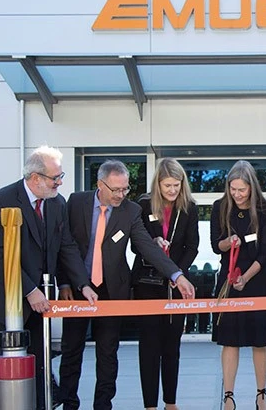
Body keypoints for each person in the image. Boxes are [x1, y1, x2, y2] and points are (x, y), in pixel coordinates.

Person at [57, 160, 196, 410]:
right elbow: (64, 246)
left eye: (125, 189)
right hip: (78, 288)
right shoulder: (75, 203)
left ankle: (103, 405)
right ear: (100, 185)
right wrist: (67, 282)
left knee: (108, 353)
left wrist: (177, 275)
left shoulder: (130, 210)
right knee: (71, 350)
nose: (121, 195)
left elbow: (145, 246)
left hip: (113, 290)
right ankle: (69, 403)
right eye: (116, 190)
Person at [0, 145, 99, 410]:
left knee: (40, 368)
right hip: (6, 299)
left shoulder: (57, 202)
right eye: (55, 178)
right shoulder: (1, 201)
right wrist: (30, 290)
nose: (60, 182)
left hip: (40, 302)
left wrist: (82, 284)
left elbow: (66, 246)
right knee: (8, 369)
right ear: (35, 178)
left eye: (61, 176)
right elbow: (0, 255)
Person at [210, 160, 266, 410]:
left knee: (259, 340)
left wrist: (246, 277)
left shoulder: (265, 211)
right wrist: (228, 242)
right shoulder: (220, 207)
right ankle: (228, 397)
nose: (237, 194)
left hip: (257, 279)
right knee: (229, 340)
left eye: (242, 190)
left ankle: (261, 395)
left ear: (252, 187)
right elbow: (214, 245)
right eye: (233, 189)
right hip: (229, 278)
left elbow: (265, 255)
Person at [131, 158, 199, 410]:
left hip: (176, 286)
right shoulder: (143, 204)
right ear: (157, 184)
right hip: (147, 284)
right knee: (149, 346)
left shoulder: (189, 208)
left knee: (172, 346)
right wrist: (154, 242)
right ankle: (150, 405)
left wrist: (177, 273)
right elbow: (134, 244)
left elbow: (192, 246)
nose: (172, 190)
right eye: (167, 185)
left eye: (176, 185)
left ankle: (171, 402)